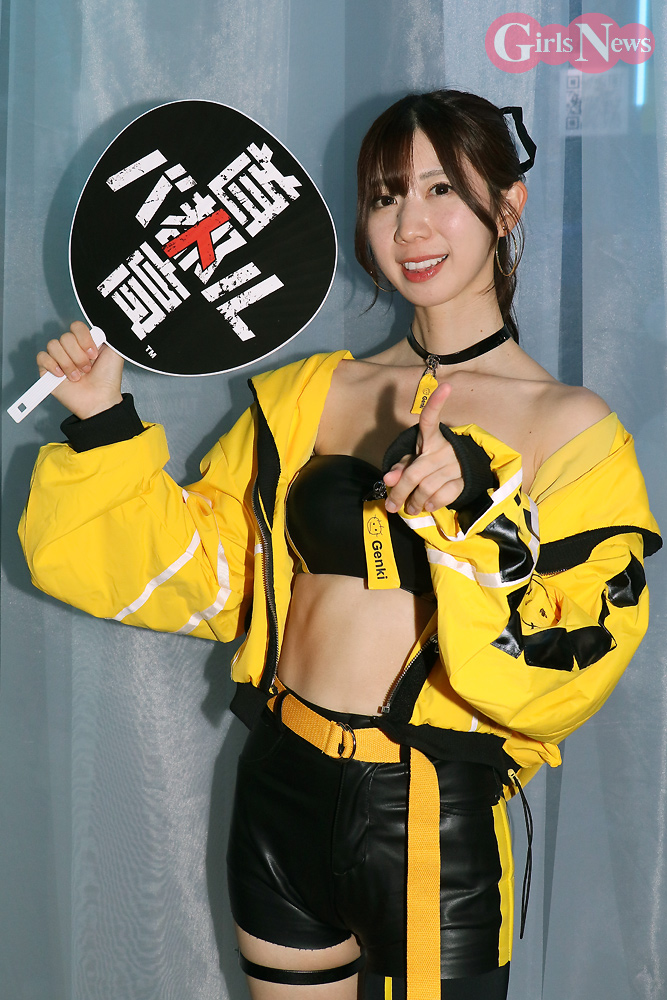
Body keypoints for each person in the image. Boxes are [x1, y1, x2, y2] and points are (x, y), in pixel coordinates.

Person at [20, 91, 661, 1000]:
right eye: (385, 195)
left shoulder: (570, 428)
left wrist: (474, 515)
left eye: (441, 189)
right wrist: (102, 421)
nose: (410, 225)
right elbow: (211, 573)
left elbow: (572, 660)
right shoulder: (310, 392)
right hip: (278, 791)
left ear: (507, 204)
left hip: (425, 814)